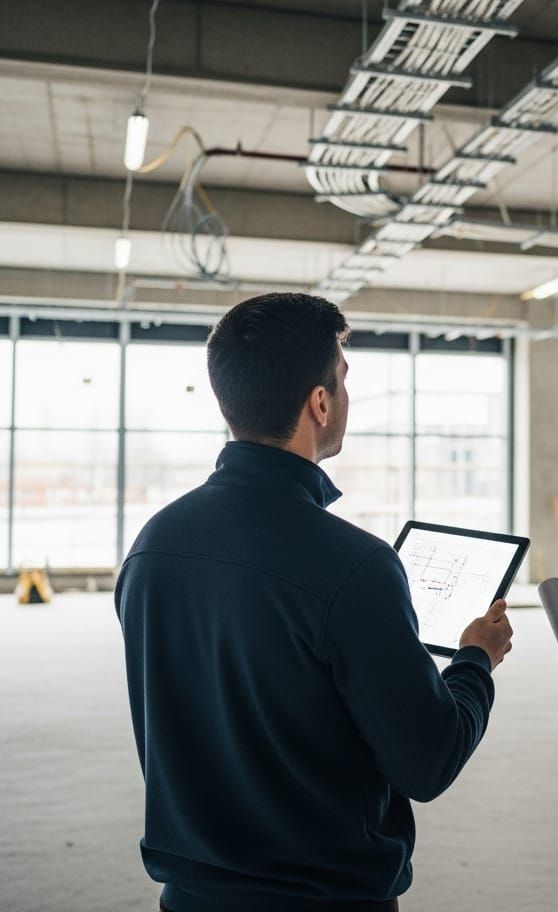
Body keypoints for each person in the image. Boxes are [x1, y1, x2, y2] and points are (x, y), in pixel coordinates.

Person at [115, 293, 513, 912]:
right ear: (320, 403)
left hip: (190, 898)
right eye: (344, 382)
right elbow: (428, 762)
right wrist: (474, 660)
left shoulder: (152, 546)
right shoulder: (354, 565)